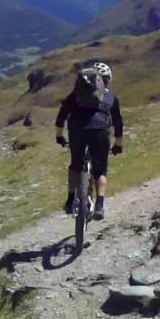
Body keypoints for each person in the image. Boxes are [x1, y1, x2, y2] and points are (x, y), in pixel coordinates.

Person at [55, 62, 123, 221]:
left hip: (77, 130)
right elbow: (118, 123)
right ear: (107, 80)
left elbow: (62, 116)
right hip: (99, 132)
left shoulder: (76, 94)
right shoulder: (110, 96)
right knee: (100, 171)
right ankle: (99, 206)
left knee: (75, 165)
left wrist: (59, 136)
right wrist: (118, 144)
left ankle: (70, 200)